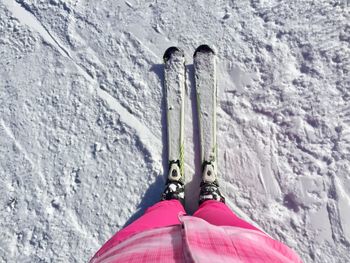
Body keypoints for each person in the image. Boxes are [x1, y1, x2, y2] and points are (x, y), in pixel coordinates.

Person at [89, 161, 302, 262]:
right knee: (222, 219)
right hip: (245, 253)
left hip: (142, 252)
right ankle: (211, 204)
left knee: (160, 217)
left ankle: (172, 202)